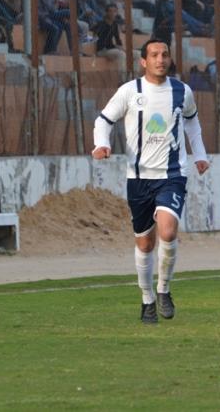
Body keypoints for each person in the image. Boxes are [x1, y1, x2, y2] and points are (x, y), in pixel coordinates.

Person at [91, 40, 210, 323]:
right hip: (139, 179)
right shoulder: (130, 91)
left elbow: (192, 122)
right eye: (154, 55)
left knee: (167, 232)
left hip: (172, 175)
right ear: (143, 61)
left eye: (165, 54)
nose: (160, 59)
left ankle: (164, 290)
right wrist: (101, 144)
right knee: (145, 244)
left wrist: (199, 155)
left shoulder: (183, 91)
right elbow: (103, 120)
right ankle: (146, 300)